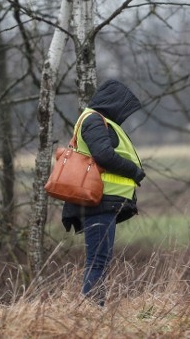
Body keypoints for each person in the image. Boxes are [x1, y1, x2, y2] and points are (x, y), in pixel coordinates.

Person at [61, 79, 146, 306]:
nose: (123, 115)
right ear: (113, 103)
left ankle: (94, 308)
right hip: (98, 200)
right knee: (98, 259)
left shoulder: (96, 121)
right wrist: (134, 172)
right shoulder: (94, 121)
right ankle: (92, 309)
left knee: (100, 258)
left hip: (102, 201)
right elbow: (104, 156)